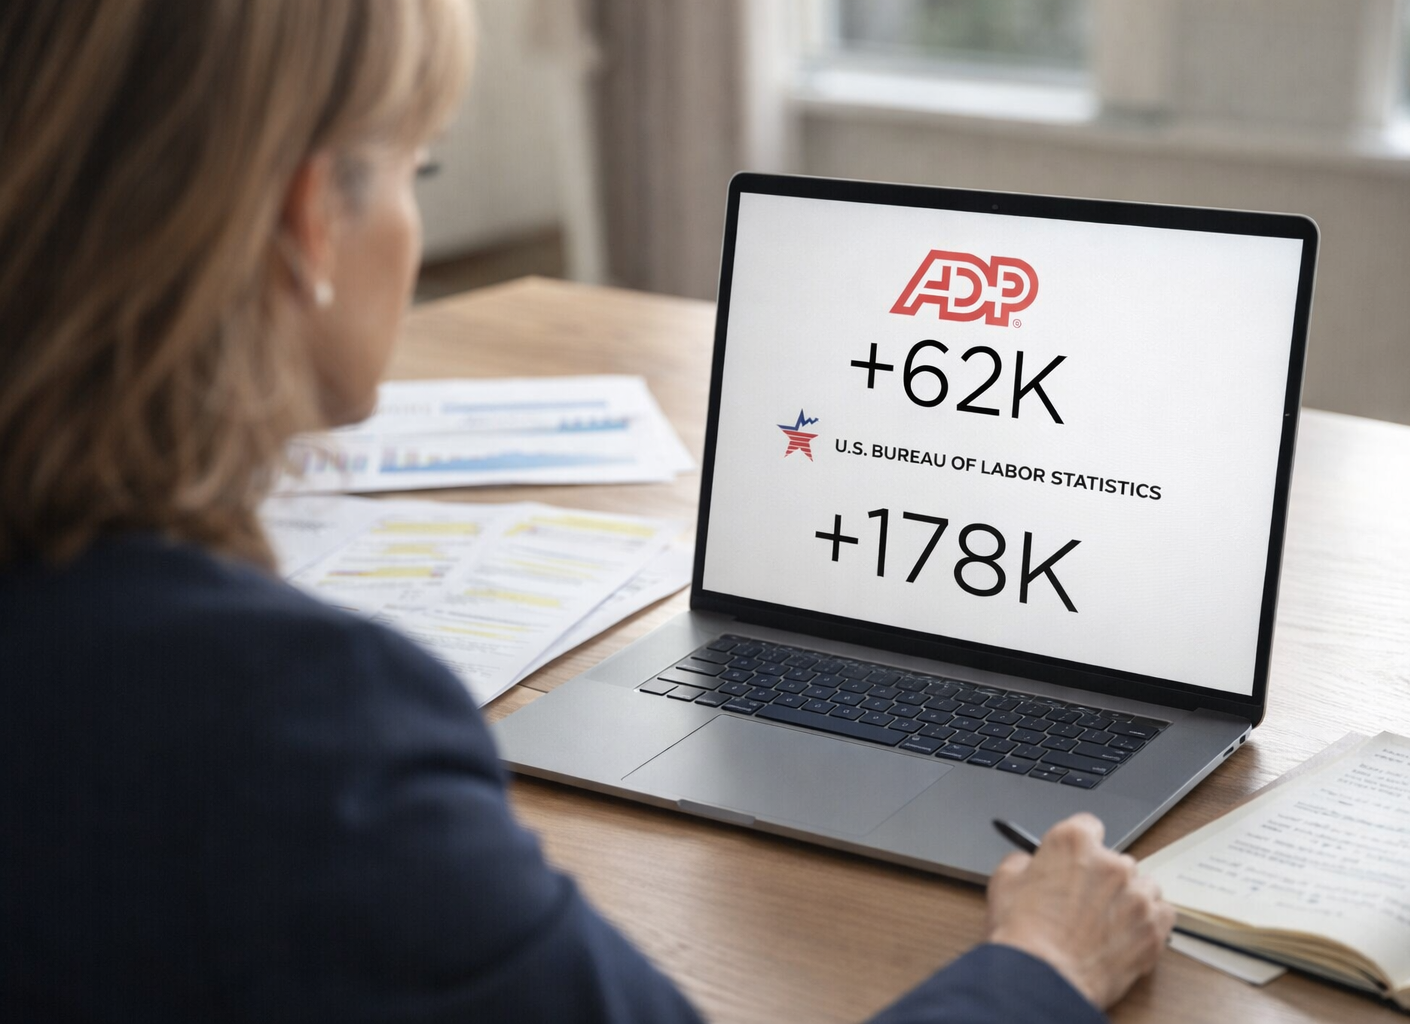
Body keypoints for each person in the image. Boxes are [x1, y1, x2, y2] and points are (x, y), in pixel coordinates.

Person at [0, 2, 1176, 1021]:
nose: (413, 215)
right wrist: (1044, 960)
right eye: (422, 168)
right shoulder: (296, 727)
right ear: (313, 221)